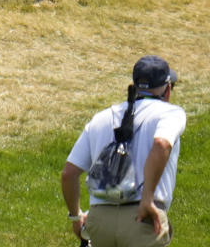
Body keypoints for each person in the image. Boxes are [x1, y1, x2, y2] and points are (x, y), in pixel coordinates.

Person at [61, 56, 186, 246]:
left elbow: (69, 174)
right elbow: (161, 144)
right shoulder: (170, 113)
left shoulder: (101, 118)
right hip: (142, 220)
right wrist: (147, 198)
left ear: (134, 87)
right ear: (168, 90)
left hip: (100, 221)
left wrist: (76, 217)